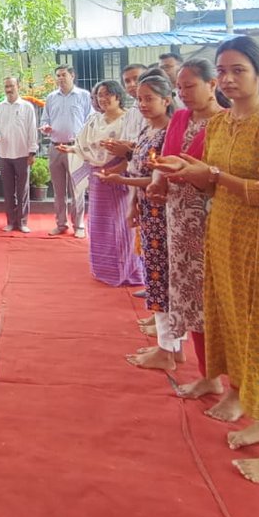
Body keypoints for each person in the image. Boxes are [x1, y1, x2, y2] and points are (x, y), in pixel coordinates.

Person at [155, 36, 259, 486]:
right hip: (226, 234)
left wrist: (211, 175)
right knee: (242, 328)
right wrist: (189, 173)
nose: (228, 80)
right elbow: (212, 183)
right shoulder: (225, 124)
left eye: (238, 71)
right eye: (224, 70)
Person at [149, 58, 226, 397]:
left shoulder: (225, 123)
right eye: (179, 87)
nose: (183, 93)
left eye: (190, 86)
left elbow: (221, 171)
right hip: (178, 216)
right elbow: (165, 160)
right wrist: (158, 184)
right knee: (189, 297)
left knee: (213, 298)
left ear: (213, 85)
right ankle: (207, 374)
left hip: (210, 216)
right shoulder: (180, 118)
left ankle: (226, 376)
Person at [103, 73, 175, 369]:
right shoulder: (148, 130)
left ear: (167, 100)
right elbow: (137, 169)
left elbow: (162, 178)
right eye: (140, 99)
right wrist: (133, 202)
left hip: (162, 212)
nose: (142, 104)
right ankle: (168, 344)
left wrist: (123, 180)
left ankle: (169, 348)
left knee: (163, 276)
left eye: (149, 99)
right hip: (147, 209)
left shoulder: (170, 133)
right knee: (154, 273)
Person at [59, 80, 141, 283]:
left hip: (120, 178)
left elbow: (133, 153)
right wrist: (70, 149)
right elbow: (83, 145)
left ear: (118, 96)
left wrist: (116, 171)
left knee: (121, 225)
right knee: (99, 224)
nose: (103, 99)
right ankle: (104, 269)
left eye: (107, 94)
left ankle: (126, 271)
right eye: (99, 95)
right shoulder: (95, 120)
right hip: (98, 179)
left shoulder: (128, 120)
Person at [41, 65, 93, 237]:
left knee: (77, 189)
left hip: (75, 148)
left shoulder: (84, 96)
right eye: (58, 75)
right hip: (55, 146)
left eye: (64, 75)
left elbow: (90, 121)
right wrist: (45, 128)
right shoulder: (51, 97)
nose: (60, 78)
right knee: (58, 190)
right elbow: (45, 120)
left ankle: (78, 225)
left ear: (72, 75)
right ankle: (61, 223)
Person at [0, 77, 38, 233]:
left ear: (18, 86)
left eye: (11, 86)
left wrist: (32, 152)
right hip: (4, 154)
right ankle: (10, 221)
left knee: (22, 190)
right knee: (8, 190)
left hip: (23, 154)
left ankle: (22, 222)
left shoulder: (27, 107)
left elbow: (32, 131)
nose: (9, 89)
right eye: (6, 86)